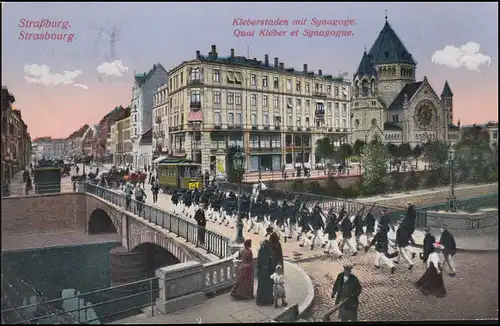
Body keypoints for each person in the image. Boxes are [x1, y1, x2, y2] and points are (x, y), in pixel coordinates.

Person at [256, 240, 274, 306]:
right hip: (268, 271)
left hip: (263, 271)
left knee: (262, 286)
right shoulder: (270, 251)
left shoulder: (261, 251)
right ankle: (267, 300)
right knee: (267, 286)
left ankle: (261, 300)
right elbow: (272, 262)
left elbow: (258, 262)